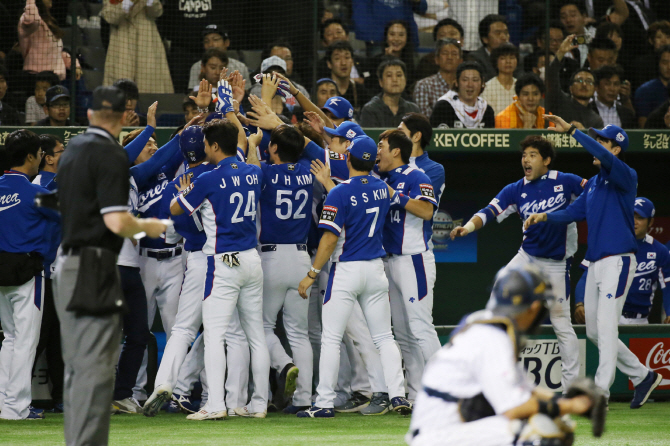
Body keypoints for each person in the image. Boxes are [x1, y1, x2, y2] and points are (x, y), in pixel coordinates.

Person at [54, 86, 167, 445]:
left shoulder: (72, 150)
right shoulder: (111, 155)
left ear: (88, 115)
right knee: (97, 370)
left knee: (78, 368)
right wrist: (153, 226)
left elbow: (54, 201)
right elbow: (117, 223)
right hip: (95, 266)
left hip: (67, 265)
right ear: (123, 118)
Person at [525, 116, 663, 407]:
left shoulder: (626, 175)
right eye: (597, 140)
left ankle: (600, 391)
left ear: (614, 150)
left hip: (619, 259)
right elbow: (573, 213)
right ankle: (643, 375)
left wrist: (573, 131)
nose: (598, 146)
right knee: (594, 330)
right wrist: (546, 216)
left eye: (603, 141)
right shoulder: (594, 185)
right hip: (596, 261)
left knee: (606, 323)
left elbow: (600, 154)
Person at [407, 265, 600, 446]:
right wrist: (572, 406)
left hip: (447, 429)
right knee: (538, 432)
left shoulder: (487, 324)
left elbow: (525, 390)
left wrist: (570, 401)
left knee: (551, 421)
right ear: (533, 307)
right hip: (439, 435)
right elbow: (513, 409)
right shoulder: (491, 337)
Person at [170, 85, 271, 420]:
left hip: (222, 262)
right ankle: (257, 404)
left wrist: (183, 190)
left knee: (215, 335)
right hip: (252, 261)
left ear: (214, 146)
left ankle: (215, 406)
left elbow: (176, 209)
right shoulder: (253, 171)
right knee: (254, 335)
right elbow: (247, 153)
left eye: (208, 146)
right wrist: (243, 133)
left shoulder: (208, 179)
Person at [451, 135, 582, 392]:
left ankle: (572, 388)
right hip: (528, 257)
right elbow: (489, 210)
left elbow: (596, 194)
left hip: (556, 264)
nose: (526, 159)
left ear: (546, 160)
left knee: (561, 323)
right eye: (524, 155)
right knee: (500, 288)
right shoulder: (516, 188)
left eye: (532, 155)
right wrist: (466, 228)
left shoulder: (566, 181)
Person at [295, 135, 412, 418]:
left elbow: (328, 240)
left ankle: (323, 403)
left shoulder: (340, 192)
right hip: (375, 269)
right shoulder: (384, 188)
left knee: (332, 338)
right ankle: (398, 395)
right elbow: (358, 196)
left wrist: (312, 274)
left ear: (348, 159)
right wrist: (329, 184)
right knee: (385, 337)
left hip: (347, 269)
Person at [143, 124, 250, 417]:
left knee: (183, 328)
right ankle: (236, 400)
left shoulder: (173, 187)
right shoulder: (227, 171)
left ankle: (164, 383)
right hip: (228, 257)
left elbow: (172, 235)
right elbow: (240, 147)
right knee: (233, 332)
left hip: (196, 258)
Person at [244, 124, 316, 414]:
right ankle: (303, 399)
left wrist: (252, 144)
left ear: (273, 148)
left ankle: (283, 363)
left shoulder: (265, 170)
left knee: (261, 326)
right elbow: (321, 153)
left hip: (272, 259)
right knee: (300, 332)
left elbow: (248, 172)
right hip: (301, 259)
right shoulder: (309, 170)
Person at [376, 129, 441, 403]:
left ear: (396, 151)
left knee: (421, 327)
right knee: (403, 334)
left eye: (381, 146)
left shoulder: (417, 176)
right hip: (389, 262)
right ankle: (416, 396)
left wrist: (396, 196)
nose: (378, 152)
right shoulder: (381, 177)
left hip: (414, 259)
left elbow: (427, 211)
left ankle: (449, 392)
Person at [0, 130, 59, 420]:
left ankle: (2, 402)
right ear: (29, 157)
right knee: (24, 341)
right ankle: (16, 408)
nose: (40, 158)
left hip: (0, 275)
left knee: (9, 339)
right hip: (26, 275)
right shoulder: (35, 193)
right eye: (38, 153)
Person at [574, 197, 670, 325]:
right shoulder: (606, 242)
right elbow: (586, 277)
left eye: (640, 218)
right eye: (631, 216)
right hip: (609, 317)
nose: (634, 222)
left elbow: (667, 286)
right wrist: (580, 303)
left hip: (640, 321)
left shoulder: (660, 250)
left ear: (650, 222)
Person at [101, 0, 174, 93]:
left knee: (150, 85)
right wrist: (128, 3)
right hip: (122, 43)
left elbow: (157, 12)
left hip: (147, 43)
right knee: (121, 87)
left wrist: (150, 2)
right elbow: (110, 17)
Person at [546, 35, 604, 130]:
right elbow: (551, 76)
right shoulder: (560, 101)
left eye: (589, 81)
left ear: (595, 89)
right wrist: (561, 52)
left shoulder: (595, 119)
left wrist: (583, 131)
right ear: (570, 87)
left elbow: (597, 143)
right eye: (579, 80)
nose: (584, 84)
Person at [398, 112, 445, 208]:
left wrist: (391, 193)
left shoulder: (434, 169)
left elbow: (418, 204)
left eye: (400, 132)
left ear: (416, 136)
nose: (395, 137)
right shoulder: (390, 162)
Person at [430, 61, 495, 129]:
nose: (470, 85)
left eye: (475, 80)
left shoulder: (487, 111)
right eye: (465, 80)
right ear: (456, 82)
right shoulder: (444, 107)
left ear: (482, 83)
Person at [18, 0, 69, 87]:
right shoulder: (27, 19)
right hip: (37, 78)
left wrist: (73, 63)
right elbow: (31, 20)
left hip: (54, 78)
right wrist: (30, 1)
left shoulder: (49, 21)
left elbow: (57, 52)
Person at [187, 24, 251, 92]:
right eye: (206, 41)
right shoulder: (197, 67)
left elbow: (246, 94)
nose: (211, 44)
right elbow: (193, 95)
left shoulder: (240, 67)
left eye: (215, 40)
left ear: (226, 43)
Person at [360, 59, 421, 127]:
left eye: (399, 75)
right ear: (381, 82)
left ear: (405, 80)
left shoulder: (413, 110)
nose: (395, 79)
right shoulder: (370, 109)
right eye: (389, 76)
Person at [413, 38, 463, 118]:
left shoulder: (465, 86)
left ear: (461, 61)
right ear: (437, 59)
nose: (449, 57)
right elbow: (424, 118)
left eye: (454, 53)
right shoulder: (424, 86)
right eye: (445, 53)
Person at [365, 20, 416, 91]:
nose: (396, 39)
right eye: (392, 34)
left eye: (401, 35)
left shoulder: (412, 62)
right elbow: (371, 86)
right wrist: (386, 60)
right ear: (386, 37)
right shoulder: (374, 61)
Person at [317, 19, 369, 84]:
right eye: (330, 34)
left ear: (347, 36)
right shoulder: (318, 68)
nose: (335, 36)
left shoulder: (365, 62)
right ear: (323, 42)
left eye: (339, 32)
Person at [325, 41, 369, 114]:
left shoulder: (360, 91)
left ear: (352, 61)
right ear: (329, 64)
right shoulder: (322, 91)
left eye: (347, 57)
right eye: (337, 58)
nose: (343, 63)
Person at [634, 44, 670, 128]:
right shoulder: (645, 91)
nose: (669, 67)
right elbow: (645, 129)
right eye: (665, 62)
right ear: (658, 63)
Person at [466, 14, 511, 81]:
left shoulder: (516, 58)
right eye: (498, 33)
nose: (504, 37)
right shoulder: (475, 59)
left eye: (506, 33)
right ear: (485, 39)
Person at [630, 21, 670, 91]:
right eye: (659, 37)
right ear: (651, 40)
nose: (664, 41)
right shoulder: (641, 63)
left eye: (668, 37)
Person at [481, 43, 519, 116]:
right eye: (503, 58)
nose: (508, 61)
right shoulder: (488, 88)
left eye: (512, 57)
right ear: (496, 62)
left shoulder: (521, 86)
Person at [558, 0, 597, 67]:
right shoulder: (560, 44)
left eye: (573, 15)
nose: (568, 20)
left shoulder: (596, 34)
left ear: (584, 17)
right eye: (563, 17)